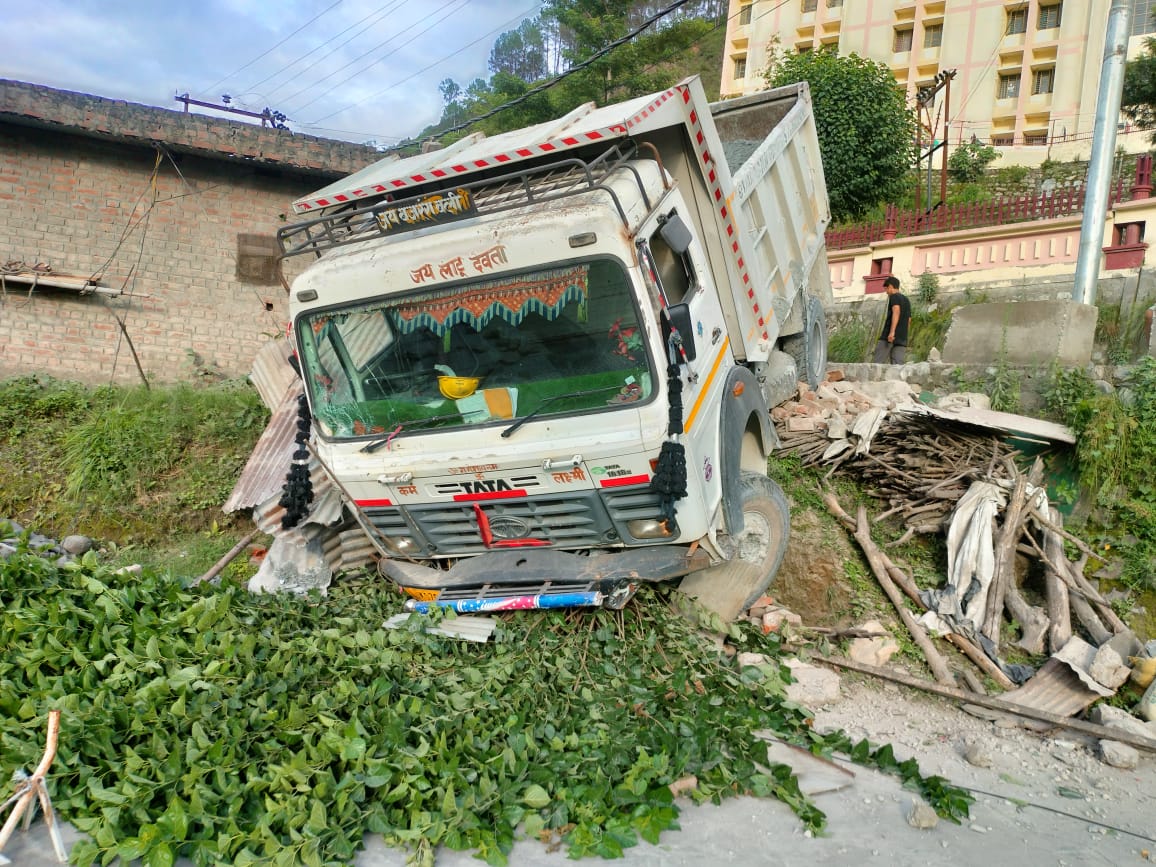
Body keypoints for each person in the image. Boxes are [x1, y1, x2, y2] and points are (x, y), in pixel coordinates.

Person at [872, 275, 910, 364]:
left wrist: (892, 332)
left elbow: (896, 311)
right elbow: (909, 320)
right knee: (897, 367)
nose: (886, 292)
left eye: (886, 289)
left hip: (889, 337)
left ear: (891, 287)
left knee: (877, 362)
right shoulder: (906, 300)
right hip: (902, 338)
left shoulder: (894, 297)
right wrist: (904, 335)